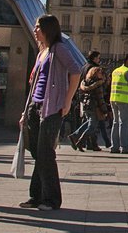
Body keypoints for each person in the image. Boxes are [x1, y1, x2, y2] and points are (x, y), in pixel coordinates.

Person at [21, 15, 79, 212]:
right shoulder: (42, 52)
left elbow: (76, 72)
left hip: (52, 107)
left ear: (48, 29)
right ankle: (36, 196)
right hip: (35, 105)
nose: (35, 30)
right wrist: (25, 110)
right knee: (38, 153)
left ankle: (52, 199)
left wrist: (68, 100)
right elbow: (35, 82)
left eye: (38, 27)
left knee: (46, 153)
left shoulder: (59, 49)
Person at [108, 53, 128, 154]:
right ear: (127, 61)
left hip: (114, 99)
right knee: (125, 124)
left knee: (116, 123)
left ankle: (115, 147)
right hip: (125, 100)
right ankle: (125, 147)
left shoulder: (116, 71)